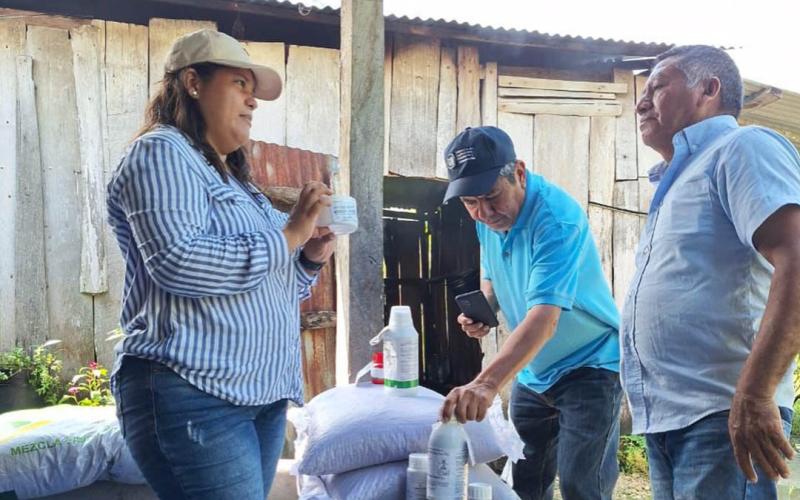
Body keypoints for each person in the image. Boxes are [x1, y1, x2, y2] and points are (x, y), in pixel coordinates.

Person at [106, 29, 335, 500]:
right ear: (193, 82)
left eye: (253, 92)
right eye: (240, 85)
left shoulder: (237, 184)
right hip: (192, 392)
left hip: (256, 397)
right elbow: (178, 261)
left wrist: (309, 256)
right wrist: (291, 233)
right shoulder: (161, 152)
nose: (252, 102)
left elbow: (270, 285)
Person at [622, 44, 800, 498]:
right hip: (672, 419)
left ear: (709, 89)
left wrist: (756, 392)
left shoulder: (741, 147)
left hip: (723, 414)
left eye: (658, 86)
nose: (641, 102)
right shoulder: (674, 179)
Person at [438, 126, 622, 500]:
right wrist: (485, 308)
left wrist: (486, 384)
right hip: (535, 371)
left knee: (581, 486)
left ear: (518, 173)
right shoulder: (486, 221)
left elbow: (544, 318)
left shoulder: (555, 219)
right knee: (523, 481)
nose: (484, 212)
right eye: (470, 203)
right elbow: (491, 274)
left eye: (492, 197)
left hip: (591, 366)